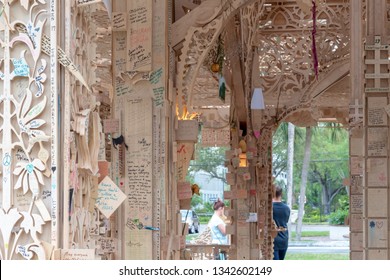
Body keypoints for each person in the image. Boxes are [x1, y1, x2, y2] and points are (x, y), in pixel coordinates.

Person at [272, 185, 290, 260]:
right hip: (284, 238)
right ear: (281, 194)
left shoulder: (270, 208)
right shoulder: (286, 208)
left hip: (274, 239)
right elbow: (286, 221)